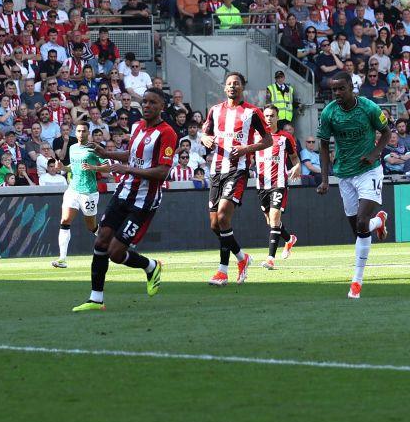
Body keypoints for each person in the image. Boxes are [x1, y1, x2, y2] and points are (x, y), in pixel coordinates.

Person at [73, 88, 175, 312]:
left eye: (152, 103)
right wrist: (107, 154)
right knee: (100, 242)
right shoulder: (137, 126)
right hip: (123, 193)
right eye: (145, 102)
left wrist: (127, 168)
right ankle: (96, 299)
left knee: (116, 253)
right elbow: (133, 155)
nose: (146, 106)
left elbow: (162, 173)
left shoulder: (167, 133)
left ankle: (150, 266)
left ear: (162, 107)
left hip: (143, 202)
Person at [316, 72, 391, 299]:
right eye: (334, 90)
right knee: (358, 230)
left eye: (341, 89)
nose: (337, 94)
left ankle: (356, 282)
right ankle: (379, 220)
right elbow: (323, 146)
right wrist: (325, 179)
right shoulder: (329, 112)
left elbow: (386, 133)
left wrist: (374, 153)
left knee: (360, 222)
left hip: (369, 171)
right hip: (345, 175)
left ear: (351, 87)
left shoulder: (368, 107)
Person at [200, 72, 272, 286]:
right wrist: (205, 139)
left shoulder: (252, 112)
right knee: (215, 225)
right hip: (216, 171)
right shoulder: (215, 111)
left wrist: (246, 149)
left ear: (243, 88)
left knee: (223, 217)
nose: (232, 87)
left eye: (237, 84)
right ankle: (242, 258)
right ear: (224, 88)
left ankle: (222, 271)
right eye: (229, 84)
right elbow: (204, 134)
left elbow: (268, 140)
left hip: (238, 170)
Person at [52, 121, 107, 269]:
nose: (81, 133)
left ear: (88, 133)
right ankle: (62, 258)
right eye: (78, 131)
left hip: (89, 192)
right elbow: (73, 168)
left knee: (91, 226)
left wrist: (93, 167)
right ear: (75, 133)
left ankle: (110, 242)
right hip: (73, 190)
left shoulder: (95, 149)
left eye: (84, 131)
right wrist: (63, 167)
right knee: (65, 220)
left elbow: (108, 167)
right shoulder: (72, 148)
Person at [254, 106, 302, 270]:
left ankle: (270, 259)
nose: (268, 118)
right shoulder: (256, 136)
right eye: (266, 116)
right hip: (261, 185)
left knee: (275, 219)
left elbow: (295, 158)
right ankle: (289, 239)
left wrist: (297, 166)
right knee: (271, 222)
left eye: (271, 116)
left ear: (277, 117)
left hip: (279, 183)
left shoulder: (285, 137)